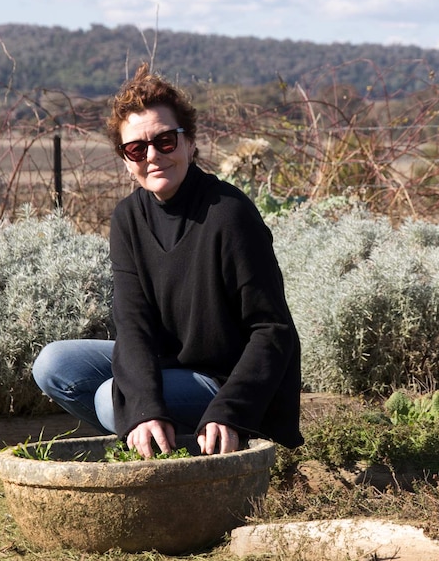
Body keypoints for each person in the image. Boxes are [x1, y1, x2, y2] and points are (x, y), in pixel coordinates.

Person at [32, 62, 303, 458]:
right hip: (171, 366)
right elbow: (133, 325)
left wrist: (230, 410)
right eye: (136, 148)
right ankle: (161, 441)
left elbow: (272, 329)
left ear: (190, 143)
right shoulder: (128, 218)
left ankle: (207, 442)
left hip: (225, 380)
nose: (153, 155)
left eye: (166, 141)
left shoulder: (229, 213)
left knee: (112, 401)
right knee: (54, 364)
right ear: (126, 160)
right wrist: (143, 407)